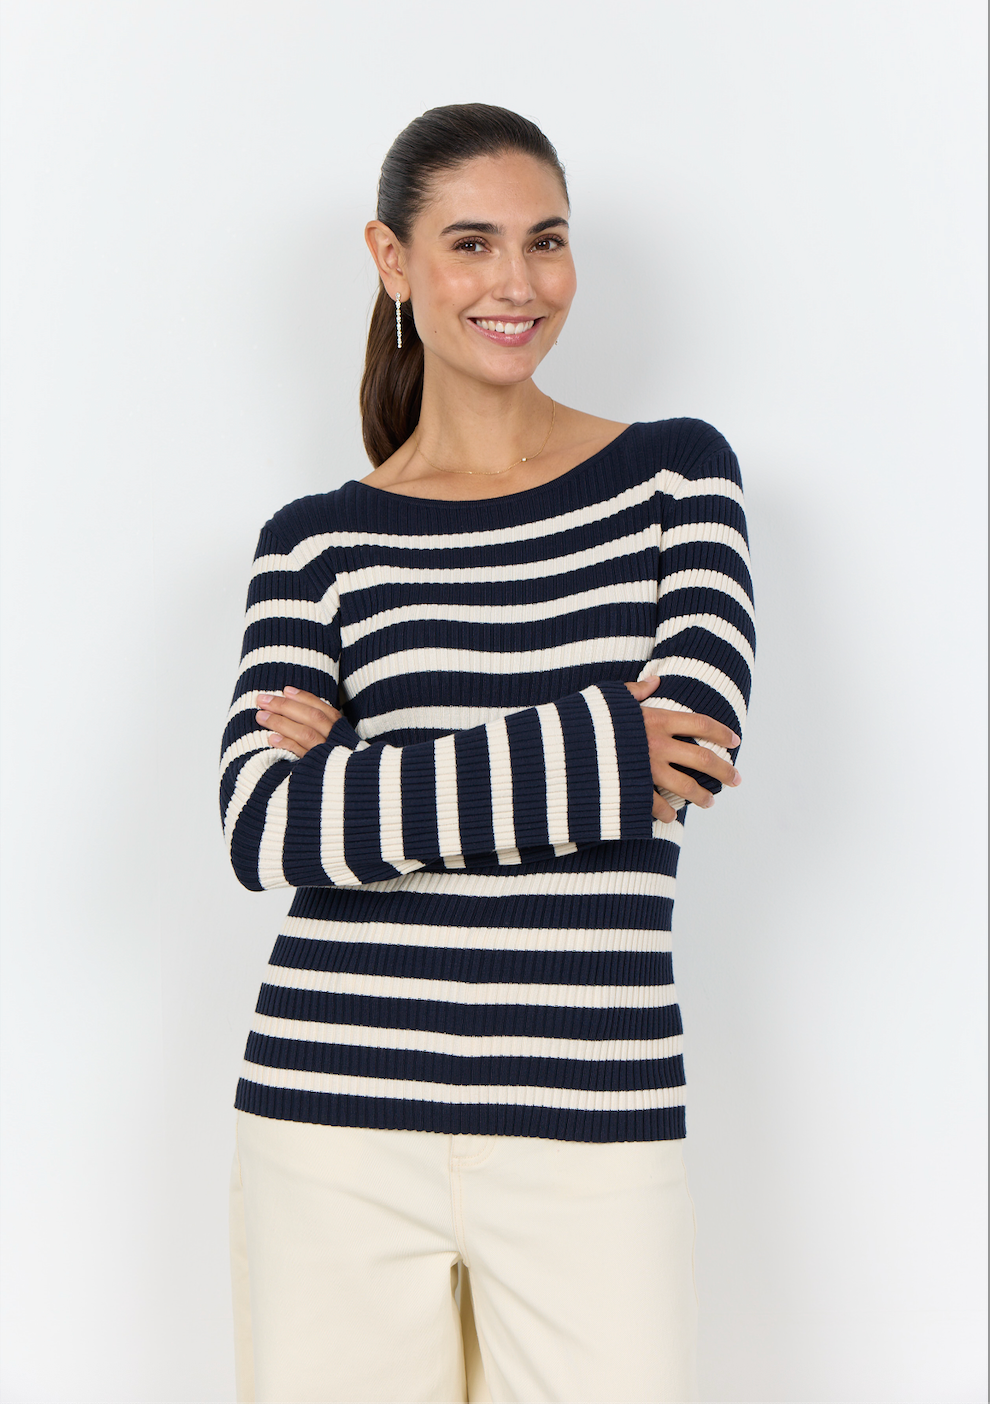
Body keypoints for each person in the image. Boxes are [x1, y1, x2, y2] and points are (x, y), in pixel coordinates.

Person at [221, 102, 754, 1404]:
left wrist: (370, 771)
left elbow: (685, 753)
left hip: (593, 1120)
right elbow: (267, 828)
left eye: (545, 241)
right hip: (330, 1119)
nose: (517, 282)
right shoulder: (315, 541)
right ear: (392, 261)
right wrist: (598, 735)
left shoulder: (676, 480)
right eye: (471, 243)